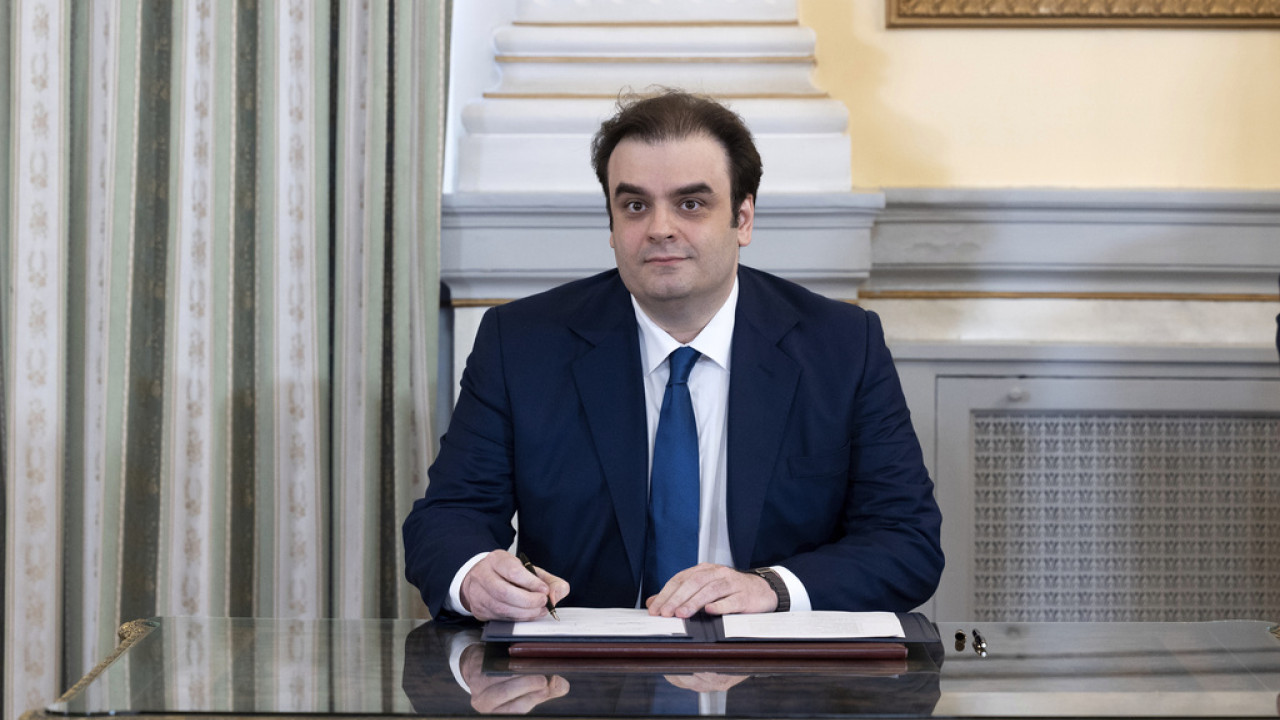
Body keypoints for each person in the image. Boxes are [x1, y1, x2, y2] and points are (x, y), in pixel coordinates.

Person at [403, 90, 943, 622]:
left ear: (743, 219)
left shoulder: (842, 346)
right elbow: (449, 517)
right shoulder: (522, 343)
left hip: (775, 660)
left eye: (691, 204)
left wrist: (771, 588)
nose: (660, 228)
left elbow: (906, 542)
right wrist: (474, 576)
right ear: (612, 226)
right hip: (581, 666)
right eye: (635, 206)